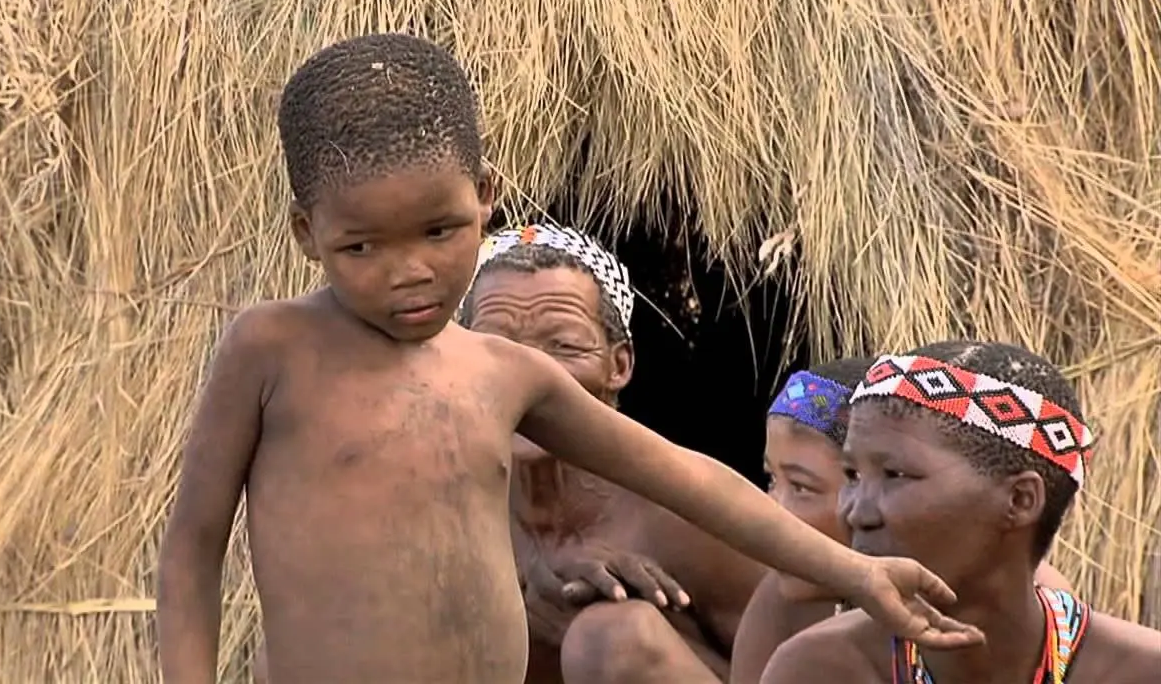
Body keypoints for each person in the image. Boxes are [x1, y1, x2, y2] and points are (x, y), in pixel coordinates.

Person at [155, 32, 981, 684]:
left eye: (440, 231)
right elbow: (193, 543)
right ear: (308, 236)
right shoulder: (273, 349)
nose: (409, 270)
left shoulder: (502, 375)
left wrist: (857, 573)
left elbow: (692, 480)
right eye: (362, 245)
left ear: (485, 195)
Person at [459, 224, 768, 684]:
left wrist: (632, 647)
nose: (527, 373)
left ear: (618, 365)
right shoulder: (440, 508)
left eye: (562, 345)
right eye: (497, 345)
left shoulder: (686, 511)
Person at [760, 342, 1161, 684]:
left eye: (895, 474)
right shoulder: (818, 669)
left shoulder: (1140, 671)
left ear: (1020, 500)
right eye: (852, 475)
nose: (855, 512)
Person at [728, 357, 1074, 684]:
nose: (773, 508)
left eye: (802, 486)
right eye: (771, 480)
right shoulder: (781, 600)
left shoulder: (1031, 609)